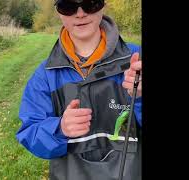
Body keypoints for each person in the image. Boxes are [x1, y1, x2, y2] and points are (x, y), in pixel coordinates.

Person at [16, 0, 142, 179]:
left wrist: (139, 98)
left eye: (90, 3)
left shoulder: (137, 61)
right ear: (59, 12)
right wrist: (59, 128)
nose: (80, 13)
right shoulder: (45, 75)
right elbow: (29, 132)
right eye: (68, 6)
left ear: (103, 5)